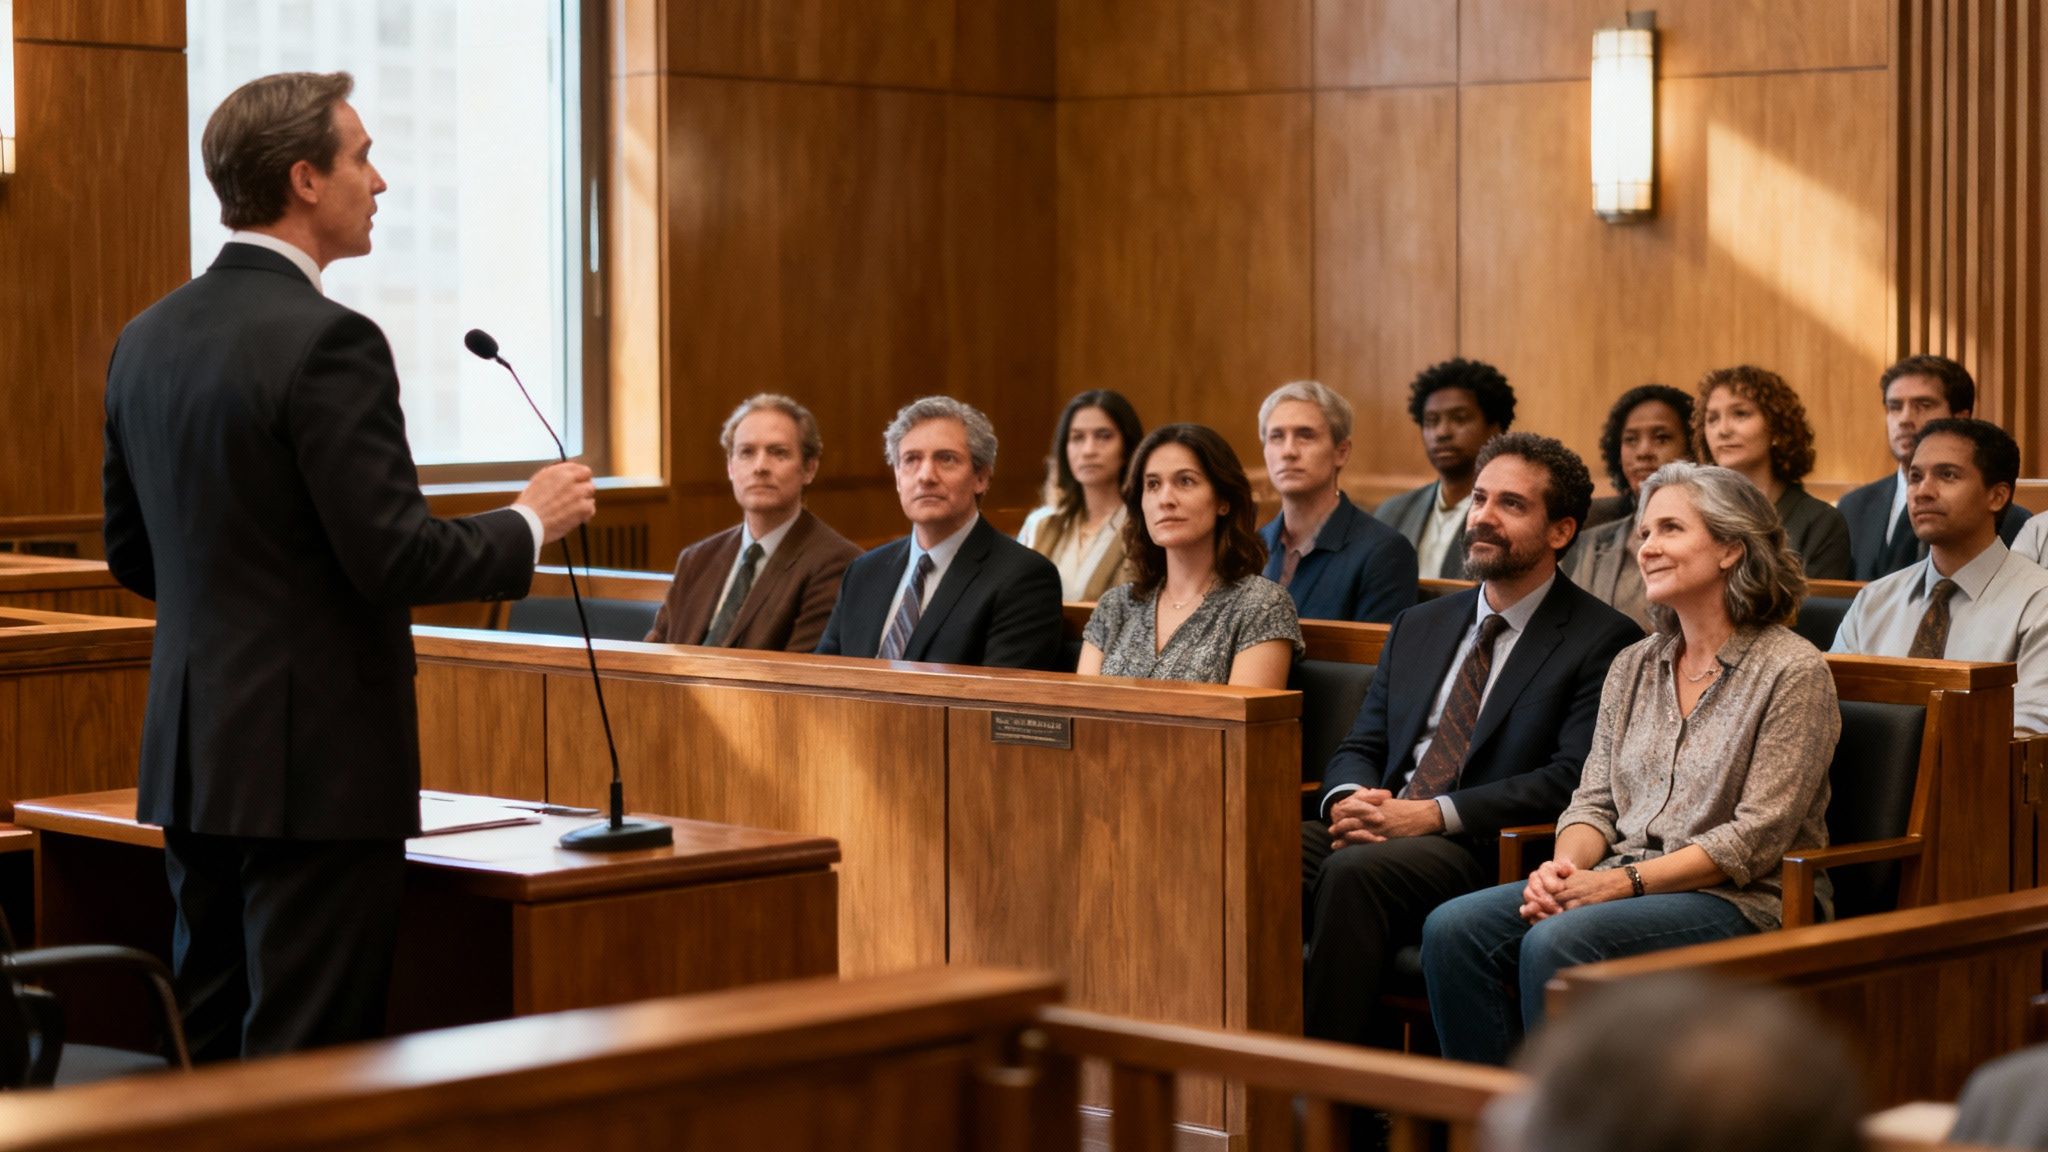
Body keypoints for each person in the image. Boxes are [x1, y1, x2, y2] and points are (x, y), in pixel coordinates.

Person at [100, 72, 597, 1060]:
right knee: (310, 1060)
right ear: (304, 180)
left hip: (197, 755)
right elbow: (394, 556)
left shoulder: (144, 339)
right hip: (315, 767)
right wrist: (527, 522)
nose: (382, 180)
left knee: (211, 1043)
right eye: (362, 156)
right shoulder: (330, 340)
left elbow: (132, 555)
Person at [1423, 462, 1839, 1067]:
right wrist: (1563, 875)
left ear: (1729, 547)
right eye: (1644, 533)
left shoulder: (1793, 671)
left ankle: (1573, 1131)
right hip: (1622, 881)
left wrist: (1616, 884)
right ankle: (1499, 1122)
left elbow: (1755, 837)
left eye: (1670, 529)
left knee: (1559, 940)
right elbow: (1593, 801)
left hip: (1746, 901)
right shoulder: (1635, 663)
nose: (1646, 548)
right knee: (1454, 929)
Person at [1303, 432, 1640, 1051]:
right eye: (1480, 499)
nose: (1482, 516)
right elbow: (1364, 740)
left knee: (1355, 874)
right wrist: (1350, 798)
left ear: (1561, 531)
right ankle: (1229, 1076)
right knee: (1245, 843)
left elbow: (1567, 778)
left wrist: (1428, 815)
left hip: (1485, 848)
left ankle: (1325, 1106)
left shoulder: (1603, 638)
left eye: (1511, 505)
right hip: (1384, 821)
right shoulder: (1420, 623)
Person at [1486, 974, 1864, 1152]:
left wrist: (1625, 881)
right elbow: (1593, 810)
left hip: (1724, 890)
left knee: (1556, 939)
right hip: (1607, 873)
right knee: (1457, 926)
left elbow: (1743, 843)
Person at [816, 396, 1063, 669]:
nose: (926, 476)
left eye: (946, 459)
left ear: (981, 477)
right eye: (911, 459)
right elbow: (821, 680)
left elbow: (994, 704)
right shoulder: (864, 572)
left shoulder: (1023, 578)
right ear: (898, 477)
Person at [1834, 419, 2048, 732]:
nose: (1922, 491)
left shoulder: (2038, 603)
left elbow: (2029, 733)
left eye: (1947, 475)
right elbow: (1831, 709)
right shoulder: (1874, 600)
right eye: (1915, 476)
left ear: (1998, 496)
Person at [1078, 424, 1301, 688]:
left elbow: (1241, 725)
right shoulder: (1115, 606)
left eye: (1185, 481)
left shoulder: (1262, 605)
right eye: (1152, 485)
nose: (1165, 499)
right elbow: (1082, 715)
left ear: (1222, 501)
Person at [645, 395, 859, 651]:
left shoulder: (838, 564)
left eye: (778, 453)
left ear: (809, 469)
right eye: (746, 453)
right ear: (730, 468)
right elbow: (653, 655)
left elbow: (794, 677)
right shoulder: (697, 559)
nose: (760, 467)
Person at [1838, 355, 2029, 580]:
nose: (1905, 419)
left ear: (1961, 418)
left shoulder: (2011, 521)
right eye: (1895, 407)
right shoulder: (1854, 507)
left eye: (1924, 405)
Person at [1256, 381, 1417, 624]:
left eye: (1305, 436)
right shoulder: (1251, 548)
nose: (1288, 451)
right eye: (1276, 437)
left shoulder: (1384, 552)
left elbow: (1377, 660)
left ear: (1341, 452)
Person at [1692, 364, 1852, 578]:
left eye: (1740, 414)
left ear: (1776, 427)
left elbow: (1817, 610)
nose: (1723, 430)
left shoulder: (1821, 523)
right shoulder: (1695, 515)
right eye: (1712, 419)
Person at [1565, 384, 1695, 629]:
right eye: (1631, 440)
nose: (1643, 452)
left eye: (1661, 438)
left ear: (1693, 448)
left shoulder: (1713, 542)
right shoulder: (1586, 545)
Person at [1376, 358, 1516, 580]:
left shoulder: (1511, 516)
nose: (1442, 432)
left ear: (1495, 429)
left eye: (1459, 419)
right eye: (1431, 421)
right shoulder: (1392, 513)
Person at [1016, 390, 1144, 602]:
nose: (1088, 450)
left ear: (1127, 447)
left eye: (1103, 436)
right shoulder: (1041, 523)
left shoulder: (1145, 526)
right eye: (1077, 438)